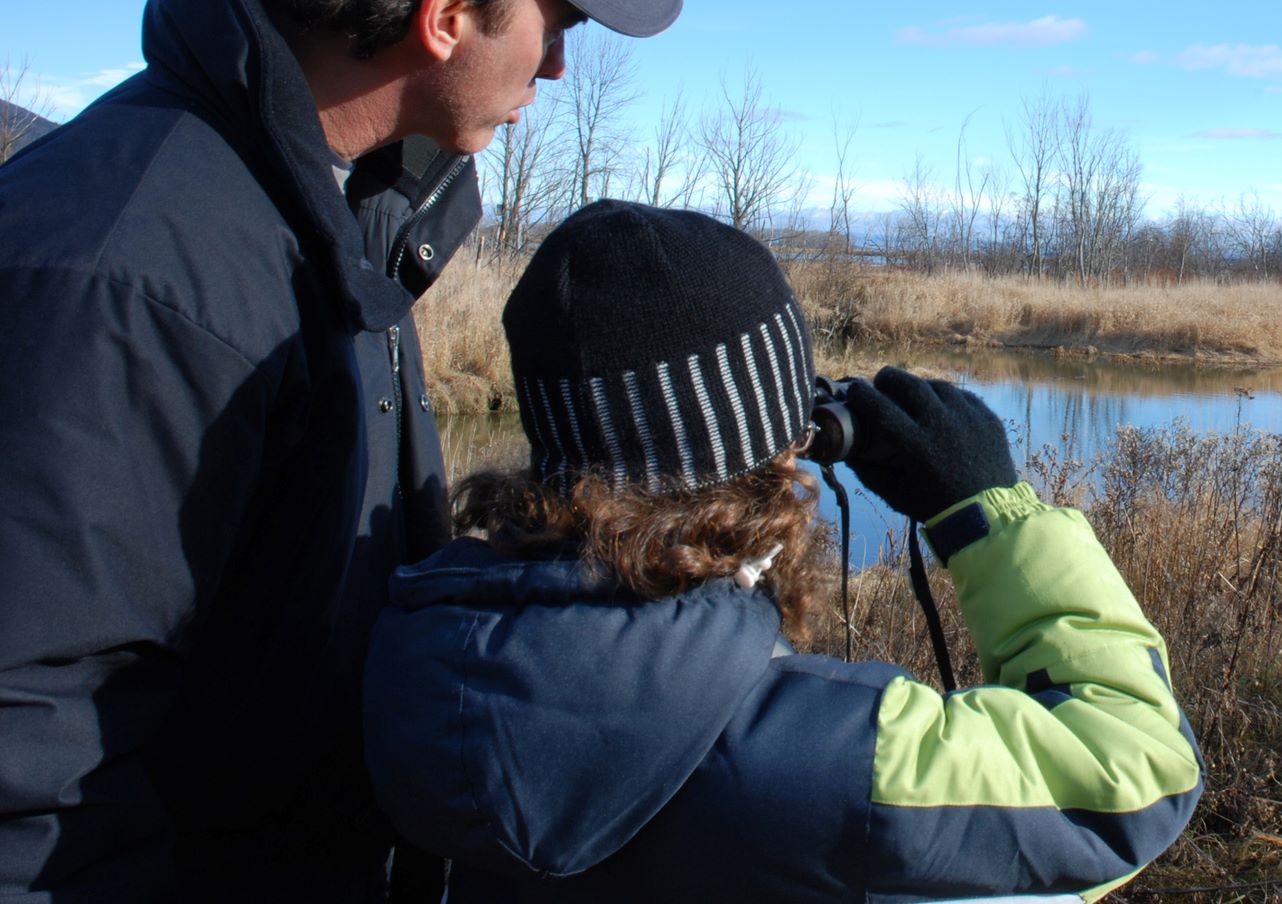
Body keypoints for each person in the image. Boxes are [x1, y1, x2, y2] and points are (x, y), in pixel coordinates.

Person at [0, 0, 683, 901]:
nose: (555, 73)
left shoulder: (340, 216)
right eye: (560, 22)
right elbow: (18, 749)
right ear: (449, 12)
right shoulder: (123, 264)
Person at [362, 201, 1204, 901]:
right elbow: (1137, 775)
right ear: (770, 460)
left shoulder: (415, 654)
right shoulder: (820, 760)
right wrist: (988, 513)